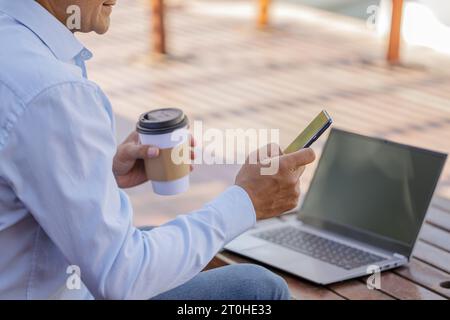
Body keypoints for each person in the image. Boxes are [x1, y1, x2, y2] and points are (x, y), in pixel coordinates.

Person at [0, 0, 316, 300]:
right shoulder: (53, 91)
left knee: (158, 237)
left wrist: (101, 173)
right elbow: (122, 277)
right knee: (258, 289)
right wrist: (249, 200)